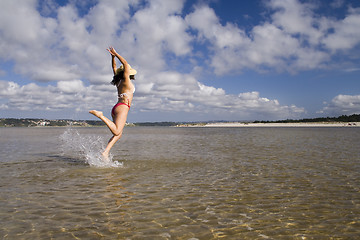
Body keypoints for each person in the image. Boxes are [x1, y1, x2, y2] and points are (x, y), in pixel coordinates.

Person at [89, 46, 137, 161]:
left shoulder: (118, 81)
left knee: (118, 134)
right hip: (123, 107)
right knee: (116, 131)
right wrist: (117, 54)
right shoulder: (126, 81)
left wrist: (113, 57)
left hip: (116, 107)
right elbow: (125, 64)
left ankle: (105, 153)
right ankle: (100, 115)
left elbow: (114, 67)